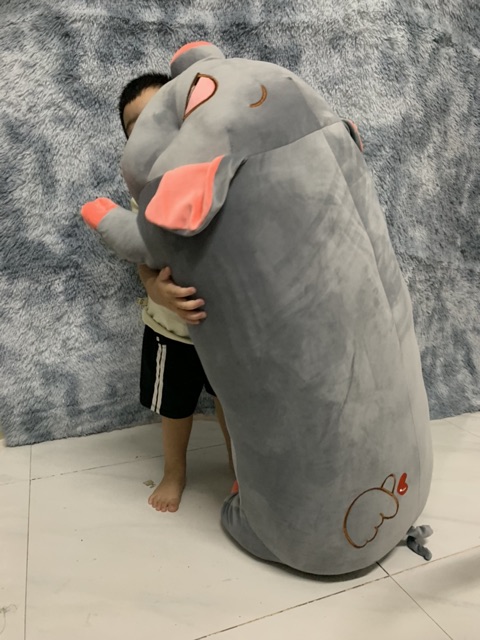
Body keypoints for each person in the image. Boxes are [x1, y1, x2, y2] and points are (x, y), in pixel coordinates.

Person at [119, 73, 233, 512]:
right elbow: (142, 256)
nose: (153, 131)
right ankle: (174, 472)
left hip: (225, 325)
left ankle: (240, 467)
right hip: (170, 325)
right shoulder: (143, 194)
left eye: (161, 116)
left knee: (231, 401)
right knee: (174, 406)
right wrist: (155, 289)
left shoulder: (222, 172)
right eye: (138, 127)